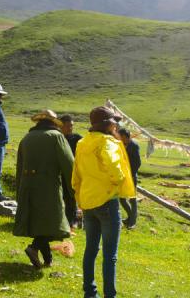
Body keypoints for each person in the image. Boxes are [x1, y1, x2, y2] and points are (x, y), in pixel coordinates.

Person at [72, 106, 136, 298]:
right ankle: (110, 295)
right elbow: (114, 166)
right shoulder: (108, 142)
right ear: (108, 124)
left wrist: (80, 198)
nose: (117, 124)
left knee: (90, 249)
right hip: (108, 201)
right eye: (114, 121)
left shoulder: (83, 143)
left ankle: (89, 293)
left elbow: (76, 175)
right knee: (110, 255)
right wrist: (118, 181)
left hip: (88, 202)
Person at [13, 110, 74, 269]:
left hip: (27, 186)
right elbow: (69, 164)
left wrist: (19, 190)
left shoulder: (26, 138)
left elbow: (19, 167)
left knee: (40, 223)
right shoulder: (56, 137)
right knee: (53, 222)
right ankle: (34, 248)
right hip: (48, 187)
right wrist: (74, 188)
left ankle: (47, 259)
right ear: (54, 123)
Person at [60, 114, 83, 228]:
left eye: (72, 126)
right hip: (59, 172)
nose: (70, 128)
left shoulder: (77, 139)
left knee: (71, 197)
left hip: (73, 173)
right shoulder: (57, 138)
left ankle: (72, 220)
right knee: (61, 196)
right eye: (68, 125)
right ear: (61, 125)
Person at [117, 128, 141, 230]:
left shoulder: (134, 146)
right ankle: (131, 216)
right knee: (122, 199)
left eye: (121, 137)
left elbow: (137, 163)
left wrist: (131, 174)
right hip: (122, 176)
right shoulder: (120, 145)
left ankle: (132, 222)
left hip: (131, 176)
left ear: (126, 137)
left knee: (132, 199)